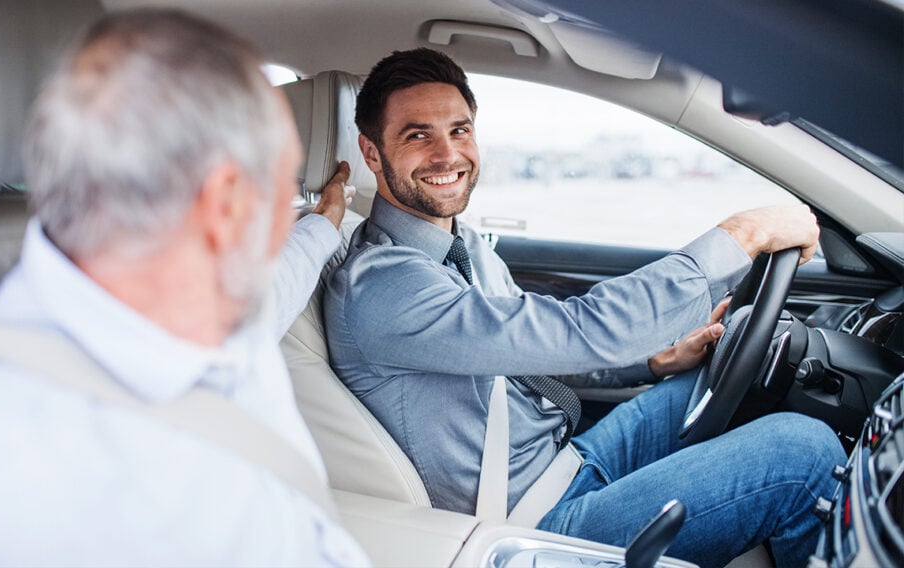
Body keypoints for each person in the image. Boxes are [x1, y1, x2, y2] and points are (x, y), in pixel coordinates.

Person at [323, 47, 846, 567]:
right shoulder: (383, 286)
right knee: (804, 452)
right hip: (527, 522)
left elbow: (535, 348)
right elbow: (575, 331)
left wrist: (652, 364)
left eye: (459, 130)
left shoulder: (462, 246)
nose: (447, 155)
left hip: (565, 460)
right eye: (418, 135)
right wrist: (741, 236)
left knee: (742, 386)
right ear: (372, 154)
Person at [0, 9, 368, 566]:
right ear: (227, 206)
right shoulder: (0, 486)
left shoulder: (213, 309)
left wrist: (323, 220)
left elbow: (280, 278)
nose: (283, 220)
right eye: (282, 190)